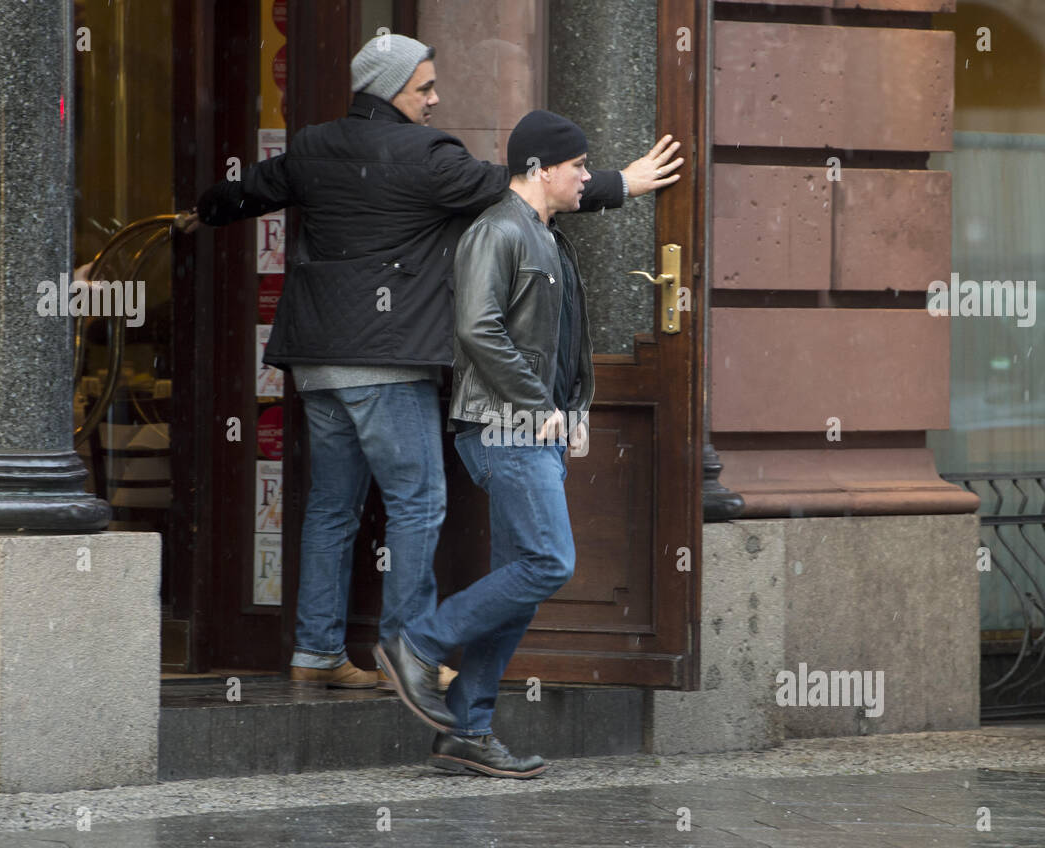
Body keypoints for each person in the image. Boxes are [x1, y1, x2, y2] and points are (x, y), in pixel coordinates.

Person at [194, 36, 683, 690]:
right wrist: (620, 183)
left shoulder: (310, 146)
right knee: (418, 501)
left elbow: (246, 193)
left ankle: (316, 653)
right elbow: (514, 188)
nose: (435, 98)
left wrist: (197, 213)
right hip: (385, 363)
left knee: (331, 508)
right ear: (392, 89)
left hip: (314, 361)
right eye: (424, 87)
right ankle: (409, 654)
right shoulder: (426, 156)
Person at [377, 110, 665, 778]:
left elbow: (555, 343)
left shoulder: (546, 235)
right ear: (538, 169)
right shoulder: (496, 230)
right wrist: (539, 405)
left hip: (535, 425)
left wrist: (573, 407)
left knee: (524, 580)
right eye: (579, 165)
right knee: (548, 560)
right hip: (503, 425)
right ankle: (418, 643)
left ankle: (468, 729)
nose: (587, 176)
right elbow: (478, 329)